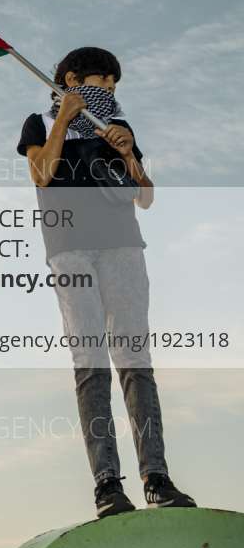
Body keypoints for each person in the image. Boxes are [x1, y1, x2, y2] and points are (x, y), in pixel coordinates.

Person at [18, 46, 194, 518]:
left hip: (123, 248)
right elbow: (42, 175)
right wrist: (65, 119)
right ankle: (107, 485)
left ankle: (156, 478)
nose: (110, 90)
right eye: (102, 81)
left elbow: (145, 197)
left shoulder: (118, 128)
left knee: (136, 360)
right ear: (72, 80)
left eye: (115, 85)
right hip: (69, 249)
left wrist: (128, 154)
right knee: (90, 361)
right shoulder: (38, 123)